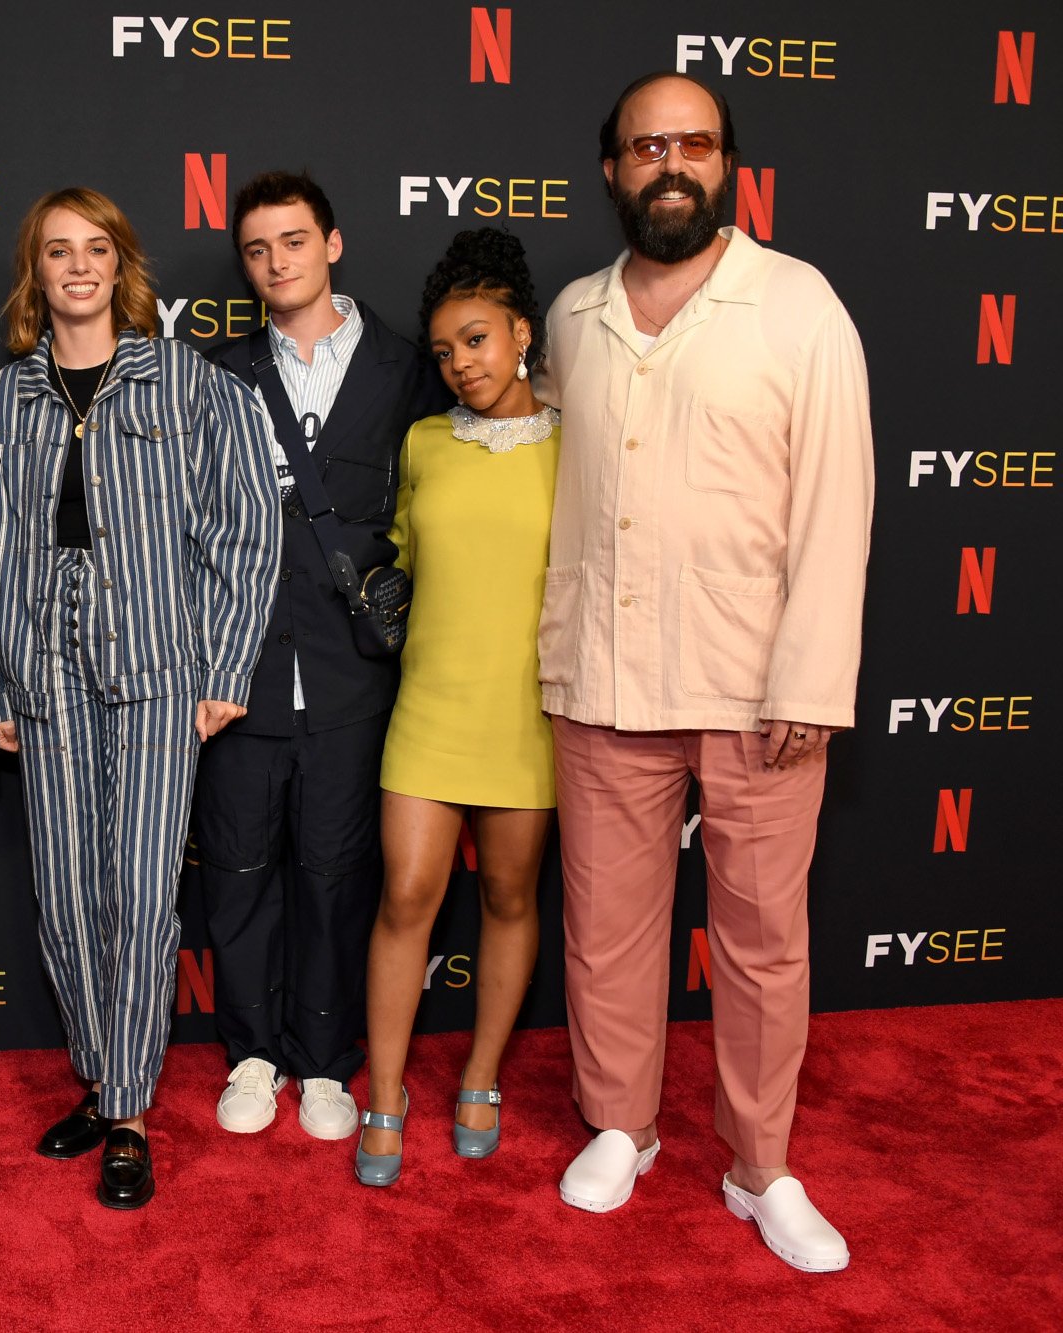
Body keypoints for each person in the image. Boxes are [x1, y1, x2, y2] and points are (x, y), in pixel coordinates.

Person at [541, 72, 873, 1272]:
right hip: (603, 681)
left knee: (760, 942)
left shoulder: (796, 304)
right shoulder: (571, 313)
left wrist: (808, 682)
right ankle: (620, 1128)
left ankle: (758, 1165)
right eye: (644, 145)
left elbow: (837, 504)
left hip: (755, 693)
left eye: (691, 143)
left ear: (724, 162)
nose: (667, 162)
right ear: (611, 168)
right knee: (607, 932)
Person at [0, 187, 278, 1209]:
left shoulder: (188, 385)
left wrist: (225, 670)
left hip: (156, 678)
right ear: (37, 272)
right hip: (47, 678)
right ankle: (102, 1084)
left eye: (95, 247)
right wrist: (6, 684)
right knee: (65, 897)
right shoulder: (2, 400)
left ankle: (132, 1116)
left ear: (120, 263)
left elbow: (245, 533)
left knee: (141, 899)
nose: (77, 266)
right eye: (56, 250)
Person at [197, 171, 449, 1144]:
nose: (275, 263)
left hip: (358, 682)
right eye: (257, 250)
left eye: (292, 242)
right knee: (240, 870)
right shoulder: (216, 374)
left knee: (338, 875)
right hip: (243, 677)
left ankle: (325, 1059)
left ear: (331, 243)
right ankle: (253, 1055)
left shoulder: (404, 369)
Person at [354, 228, 559, 1187]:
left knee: (511, 898)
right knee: (405, 898)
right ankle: (385, 1093)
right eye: (443, 351)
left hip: (528, 716)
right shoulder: (424, 442)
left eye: (475, 340)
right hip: (429, 706)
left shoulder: (578, 446)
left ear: (521, 332)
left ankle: (481, 1077)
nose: (459, 364)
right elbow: (398, 557)